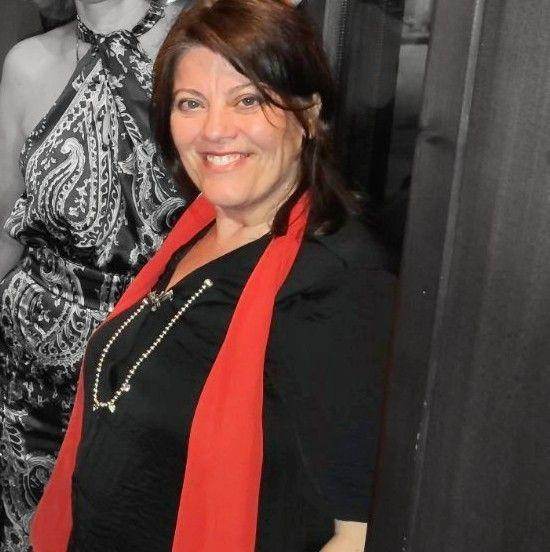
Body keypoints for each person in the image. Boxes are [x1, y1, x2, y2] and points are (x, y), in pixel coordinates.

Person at [31, 0, 395, 550]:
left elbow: (355, 534)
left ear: (308, 113)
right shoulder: (198, 228)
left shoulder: (337, 283)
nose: (215, 130)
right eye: (191, 103)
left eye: (248, 100)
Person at [0, 1, 189, 549]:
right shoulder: (27, 63)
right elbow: (5, 234)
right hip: (28, 383)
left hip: (152, 377)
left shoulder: (207, 43)